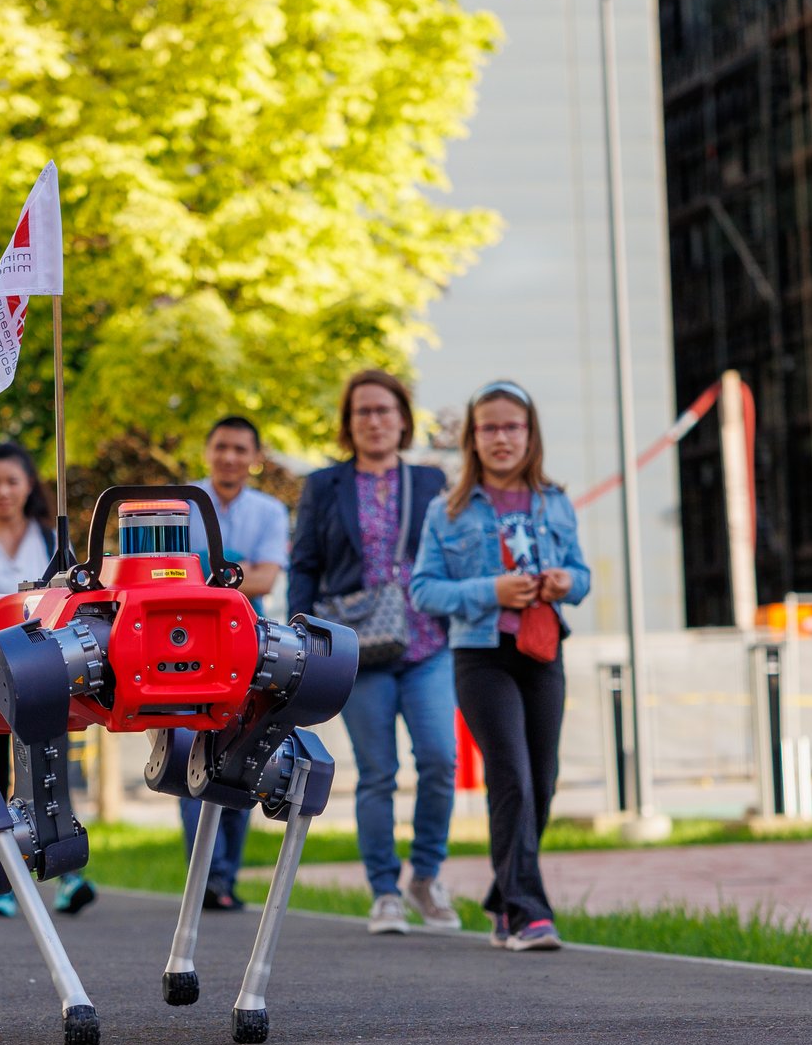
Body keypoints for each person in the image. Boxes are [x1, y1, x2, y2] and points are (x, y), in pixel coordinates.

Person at [410, 379, 590, 951]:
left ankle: (500, 895)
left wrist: (566, 582)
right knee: (510, 774)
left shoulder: (555, 501)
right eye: (489, 427)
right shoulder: (448, 510)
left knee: (543, 780)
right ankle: (527, 913)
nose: (502, 437)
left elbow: (582, 577)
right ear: (473, 438)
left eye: (513, 426)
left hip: (543, 650)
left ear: (530, 434)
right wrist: (491, 589)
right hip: (481, 656)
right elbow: (423, 591)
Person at [288, 371, 458, 935]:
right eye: (362, 412)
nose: (375, 421)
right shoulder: (325, 485)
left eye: (384, 410)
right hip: (357, 647)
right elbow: (306, 563)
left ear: (404, 419)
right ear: (348, 423)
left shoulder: (431, 479)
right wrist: (302, 634)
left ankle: (426, 877)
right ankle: (384, 890)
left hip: (427, 642)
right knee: (377, 772)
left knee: (439, 760)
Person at [0, 442, 97, 918]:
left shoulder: (50, 537)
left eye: (12, 481)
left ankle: (66, 874)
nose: (3, 491)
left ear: (29, 485)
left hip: (42, 667)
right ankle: (1, 881)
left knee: (50, 768)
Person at [180, 415, 290, 911]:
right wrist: (232, 579)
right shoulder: (180, 504)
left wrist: (202, 579)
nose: (229, 457)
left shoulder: (269, 511)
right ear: (208, 451)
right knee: (186, 754)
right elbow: (165, 579)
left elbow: (267, 582)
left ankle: (224, 877)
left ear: (255, 458)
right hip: (182, 648)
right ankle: (201, 876)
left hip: (247, 643)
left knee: (243, 754)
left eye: (239, 449)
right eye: (221, 446)